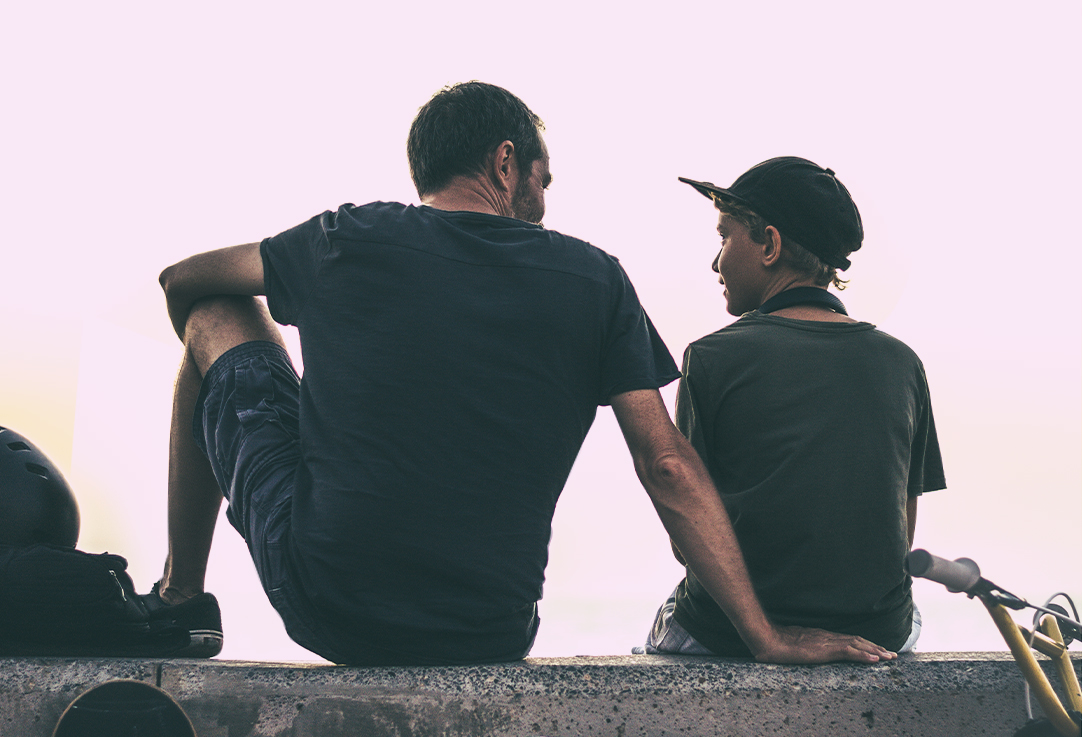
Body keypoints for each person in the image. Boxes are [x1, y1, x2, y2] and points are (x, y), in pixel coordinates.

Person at [150, 85, 895, 665]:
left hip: (330, 607)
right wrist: (766, 637)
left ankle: (181, 598)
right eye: (544, 178)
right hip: (491, 629)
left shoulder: (346, 238)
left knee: (215, 312)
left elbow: (182, 280)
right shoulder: (594, 279)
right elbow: (666, 464)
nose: (544, 201)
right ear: (506, 163)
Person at [638, 157, 946, 658]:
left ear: (770, 244)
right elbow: (899, 531)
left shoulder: (714, 357)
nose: (715, 263)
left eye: (724, 238)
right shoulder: (902, 363)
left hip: (731, 632)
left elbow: (687, 541)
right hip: (879, 633)